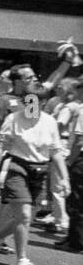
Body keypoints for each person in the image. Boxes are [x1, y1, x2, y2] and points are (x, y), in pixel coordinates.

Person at [0, 79, 70, 265]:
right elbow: (1, 147)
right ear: (23, 101)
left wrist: (64, 178)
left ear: (43, 103)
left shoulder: (49, 122)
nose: (32, 106)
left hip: (39, 171)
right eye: (28, 101)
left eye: (37, 102)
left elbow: (55, 152)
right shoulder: (13, 119)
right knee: (23, 215)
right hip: (17, 167)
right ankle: (21, 260)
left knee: (25, 217)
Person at [53, 78, 83, 252]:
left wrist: (70, 161)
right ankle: (72, 236)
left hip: (79, 157)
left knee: (76, 201)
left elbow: (79, 140)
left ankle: (76, 241)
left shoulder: (80, 110)